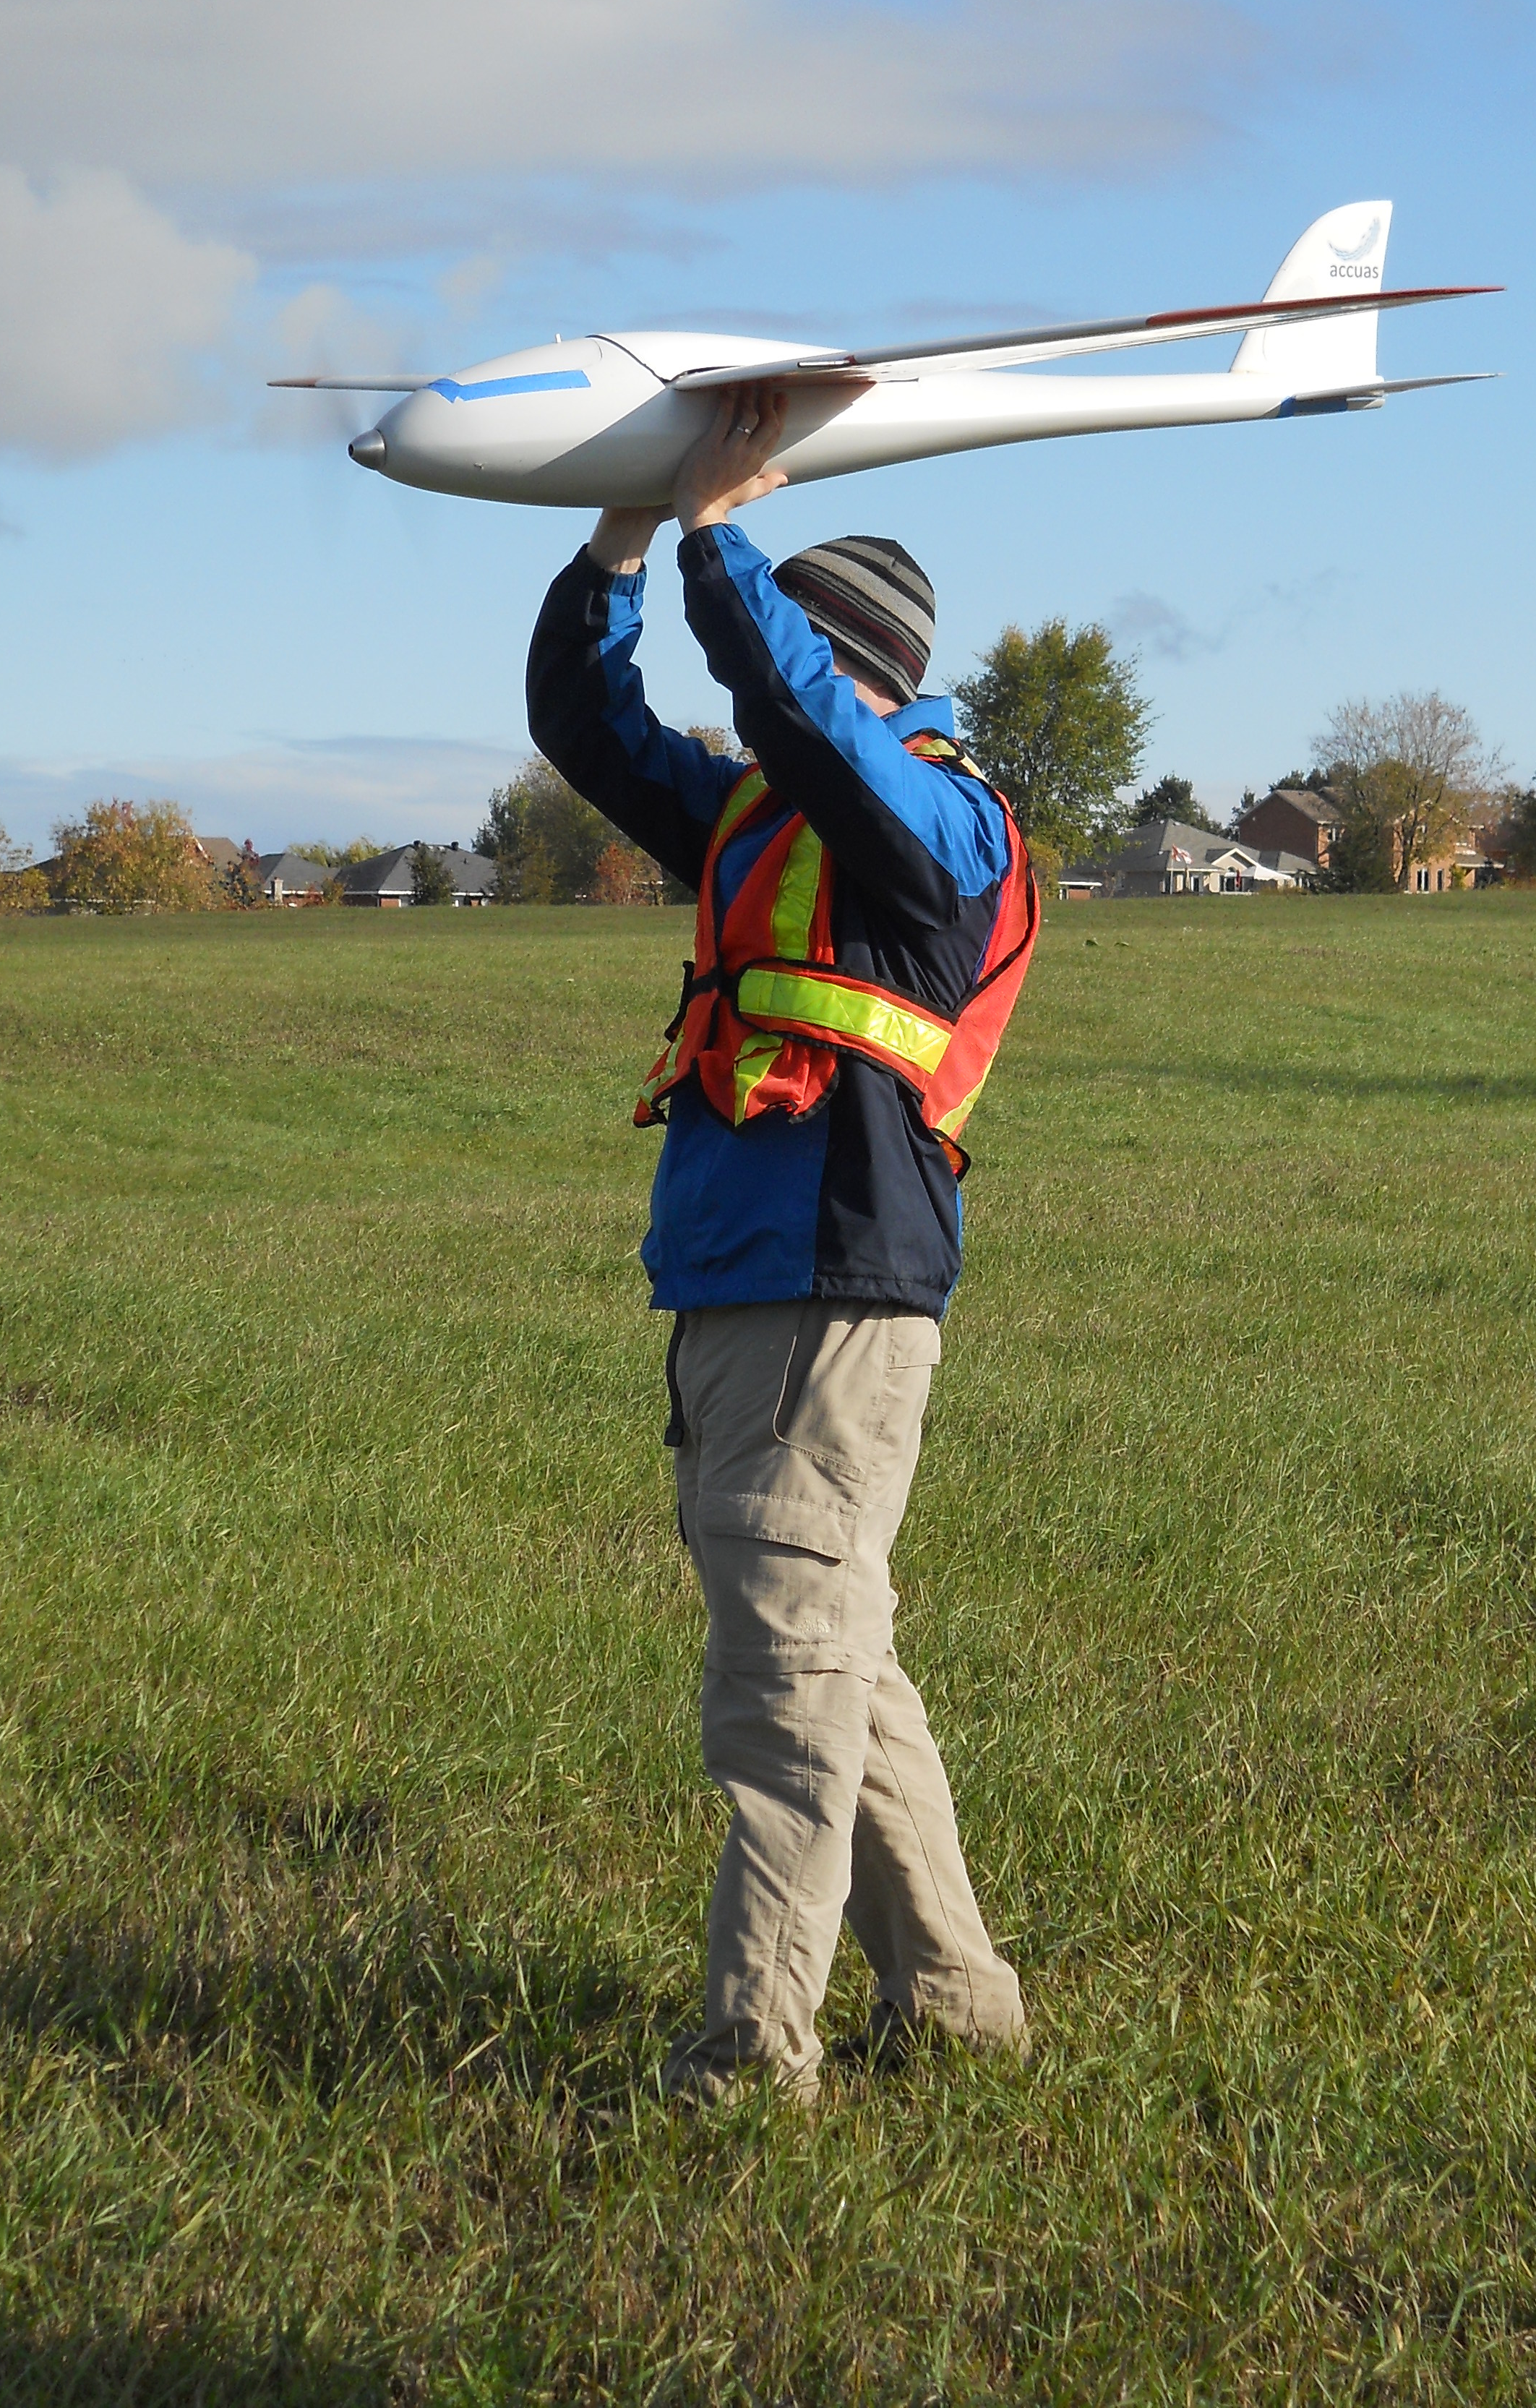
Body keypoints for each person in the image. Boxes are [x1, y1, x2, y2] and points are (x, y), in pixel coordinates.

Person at [525, 381, 1041, 2106]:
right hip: (742, 1282)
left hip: (836, 1283)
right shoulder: (765, 810)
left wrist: (722, 535)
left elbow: (805, 721)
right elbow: (589, 728)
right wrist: (616, 545)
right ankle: (957, 2002)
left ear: (855, 674)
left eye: (788, 673)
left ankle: (752, 2055)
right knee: (839, 1656)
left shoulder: (938, 826)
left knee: (784, 1677)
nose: (749, 716)